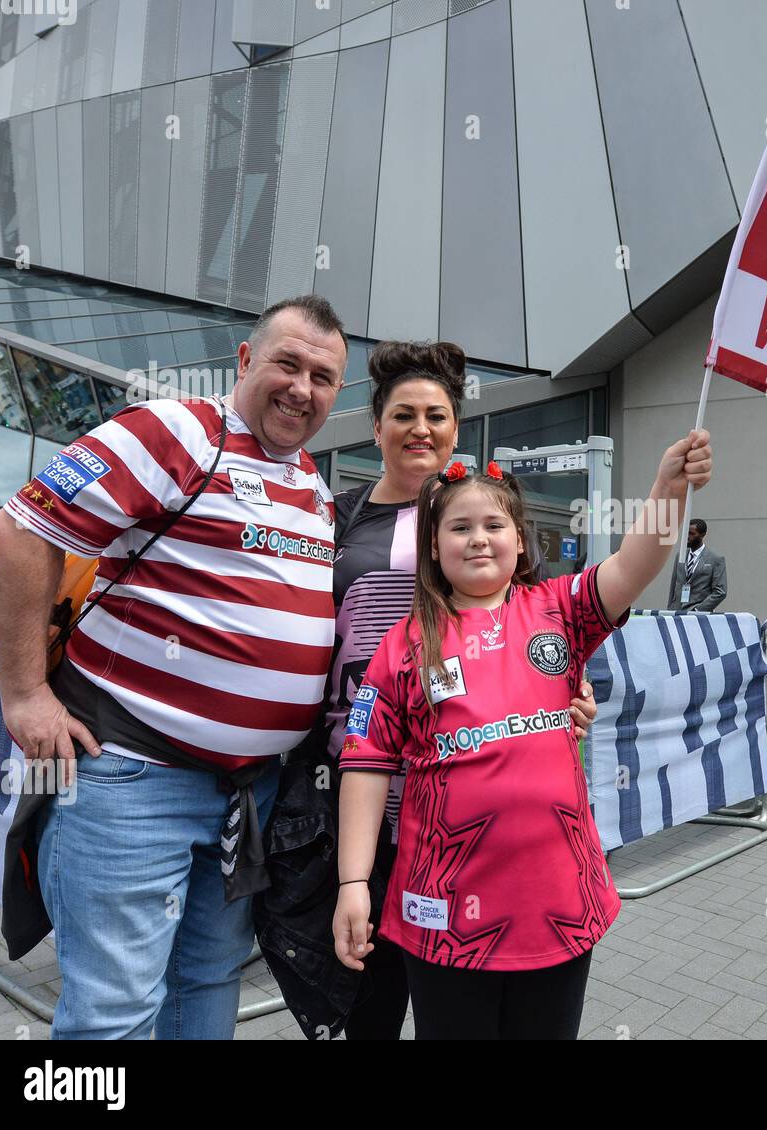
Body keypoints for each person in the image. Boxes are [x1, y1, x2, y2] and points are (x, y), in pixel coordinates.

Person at [0, 294, 347, 1039]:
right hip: (131, 777)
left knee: (203, 987)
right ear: (245, 360)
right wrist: (22, 694)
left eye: (324, 376)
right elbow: (21, 530)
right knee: (114, 1014)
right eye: (288, 363)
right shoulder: (178, 430)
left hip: (246, 794)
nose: (302, 388)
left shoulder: (312, 482)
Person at [254, 340, 599, 1040]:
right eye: (403, 414)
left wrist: (571, 690)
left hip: (458, 812)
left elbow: (534, 627)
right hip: (355, 789)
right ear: (376, 425)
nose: (420, 428)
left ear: (455, 429)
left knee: (459, 996)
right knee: (364, 1000)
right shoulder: (332, 519)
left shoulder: (480, 522)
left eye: (437, 416)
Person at [332, 428, 713, 1039]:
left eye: (494, 525)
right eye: (459, 527)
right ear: (433, 544)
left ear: (519, 538)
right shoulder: (402, 645)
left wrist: (668, 487)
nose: (478, 538)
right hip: (443, 915)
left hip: (560, 906)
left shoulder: (561, 610)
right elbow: (365, 764)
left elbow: (634, 564)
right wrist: (354, 883)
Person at [667, 518, 727, 611]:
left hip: (697, 614)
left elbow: (720, 592)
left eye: (691, 534)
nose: (687, 537)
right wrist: (670, 609)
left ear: (702, 535)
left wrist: (699, 609)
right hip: (677, 611)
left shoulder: (715, 559)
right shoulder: (680, 555)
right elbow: (674, 585)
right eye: (686, 533)